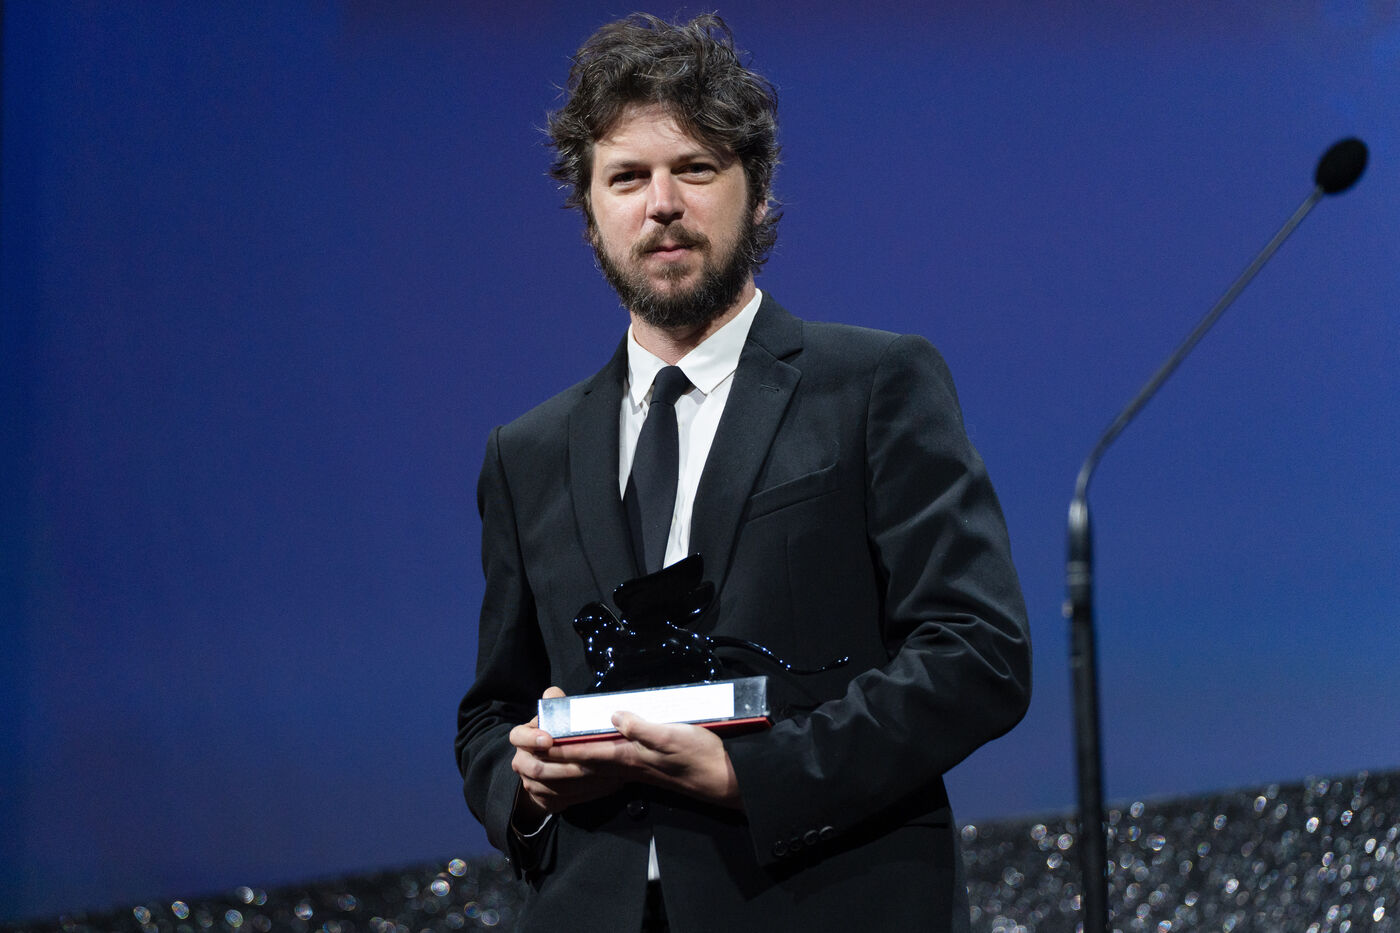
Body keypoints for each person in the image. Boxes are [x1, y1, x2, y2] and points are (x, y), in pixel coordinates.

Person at [455, 13, 1031, 932]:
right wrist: (527, 783)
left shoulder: (872, 384)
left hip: (824, 900)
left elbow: (977, 651)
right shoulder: (526, 454)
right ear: (591, 216)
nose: (662, 203)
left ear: (757, 193)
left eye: (694, 168)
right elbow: (491, 713)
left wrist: (752, 774)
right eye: (627, 177)